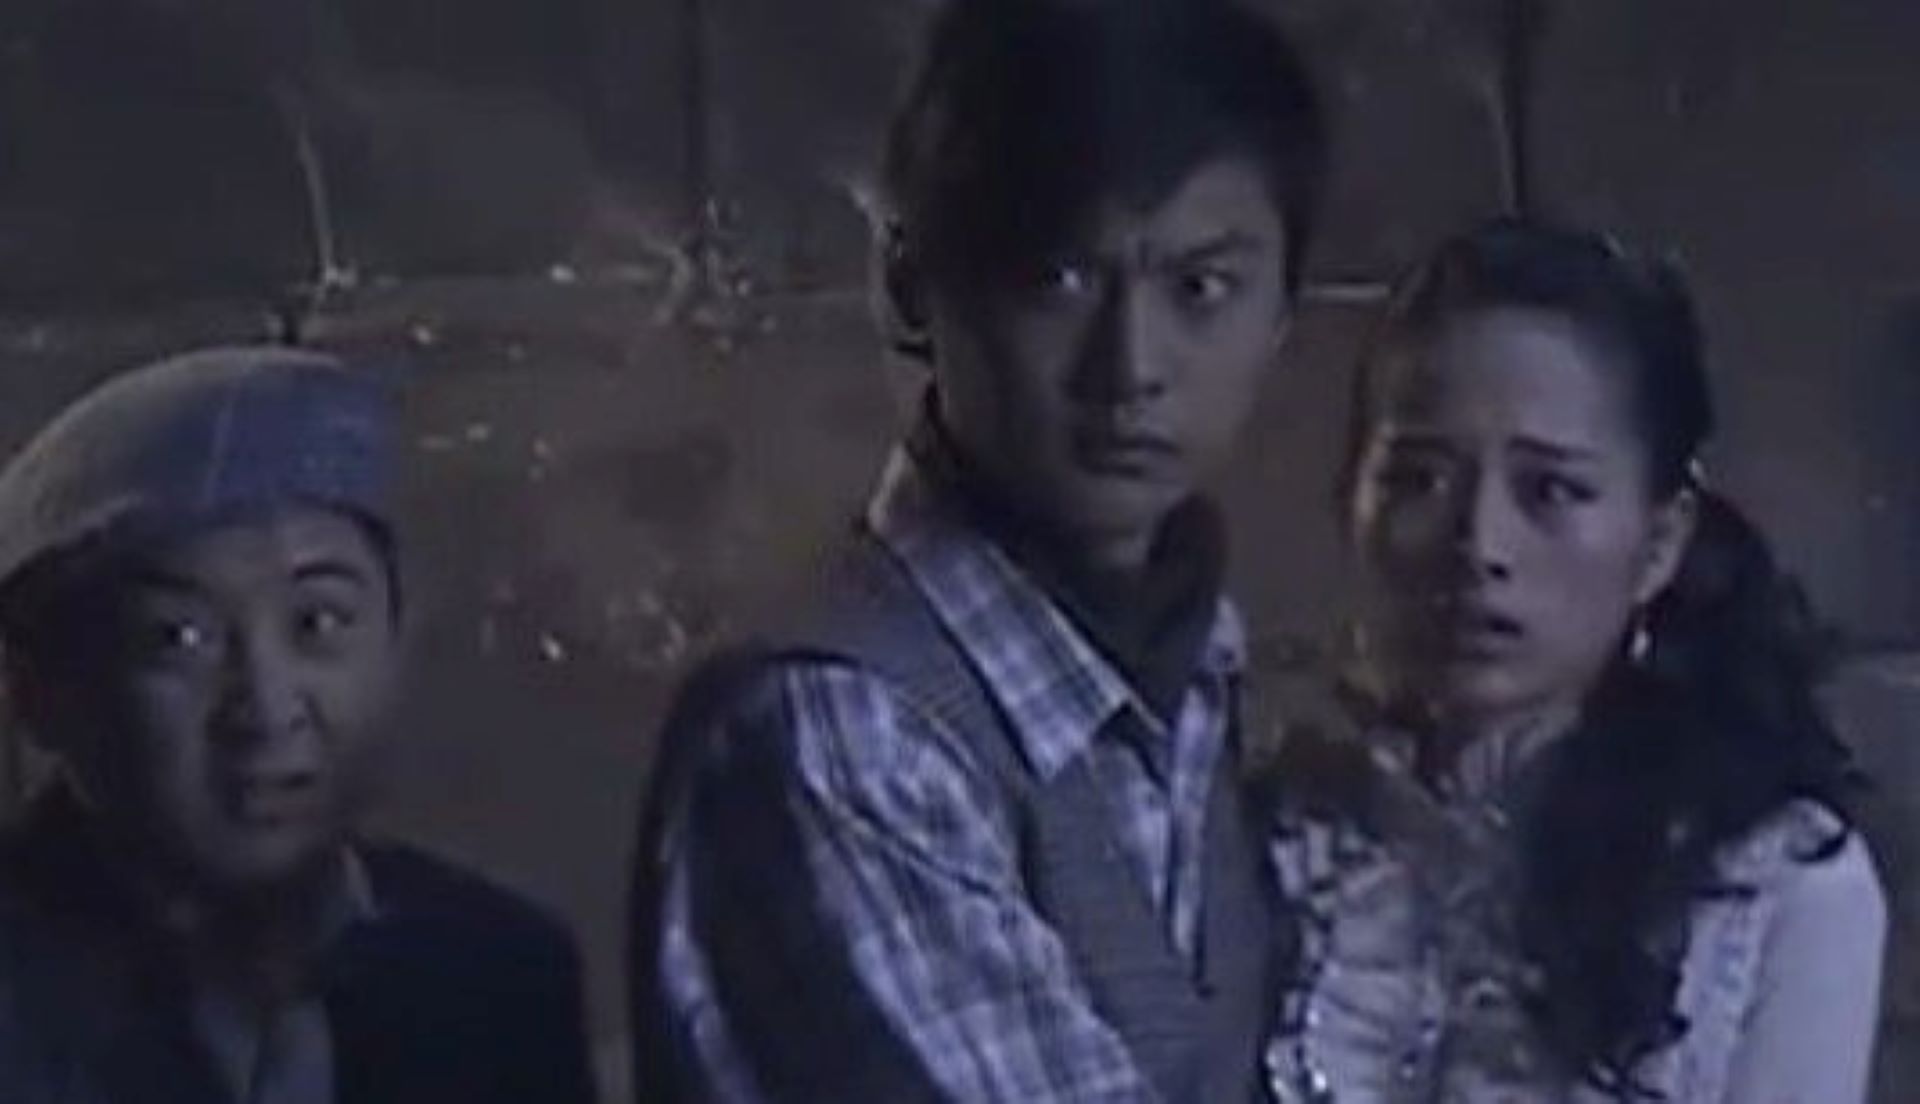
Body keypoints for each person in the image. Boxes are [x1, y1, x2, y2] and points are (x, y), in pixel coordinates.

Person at [629, 0, 1327, 1099]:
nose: (1131, 367)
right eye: (1057, 277)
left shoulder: (1204, 677)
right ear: (911, 287)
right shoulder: (841, 731)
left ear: (1282, 313)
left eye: (1200, 289)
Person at [1263, 219, 1887, 1102]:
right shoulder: (1276, 842)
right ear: (1349, 500)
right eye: (1419, 479)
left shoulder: (1776, 887)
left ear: (1659, 543)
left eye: (1551, 490)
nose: (1479, 545)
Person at [0, 347, 598, 1104]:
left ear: (396, 633)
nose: (267, 708)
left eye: (318, 622)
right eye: (180, 638)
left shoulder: (498, 972)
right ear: (41, 694)